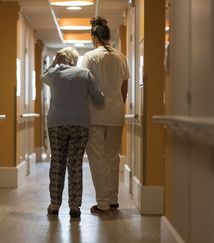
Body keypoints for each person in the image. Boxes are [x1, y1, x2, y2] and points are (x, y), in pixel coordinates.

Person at [41, 47, 105, 218]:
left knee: (57, 163)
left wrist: (54, 62)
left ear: (62, 59)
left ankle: (55, 204)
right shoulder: (84, 74)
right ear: (75, 60)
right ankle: (74, 207)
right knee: (75, 164)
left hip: (56, 124)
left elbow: (43, 76)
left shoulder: (54, 73)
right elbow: (99, 99)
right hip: (79, 124)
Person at [81, 16, 129, 213]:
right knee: (113, 157)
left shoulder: (90, 57)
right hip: (116, 114)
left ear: (94, 37)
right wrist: (118, 105)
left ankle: (102, 203)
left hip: (95, 115)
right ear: (107, 36)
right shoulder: (121, 57)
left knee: (97, 158)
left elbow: (84, 85)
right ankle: (113, 199)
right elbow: (124, 87)